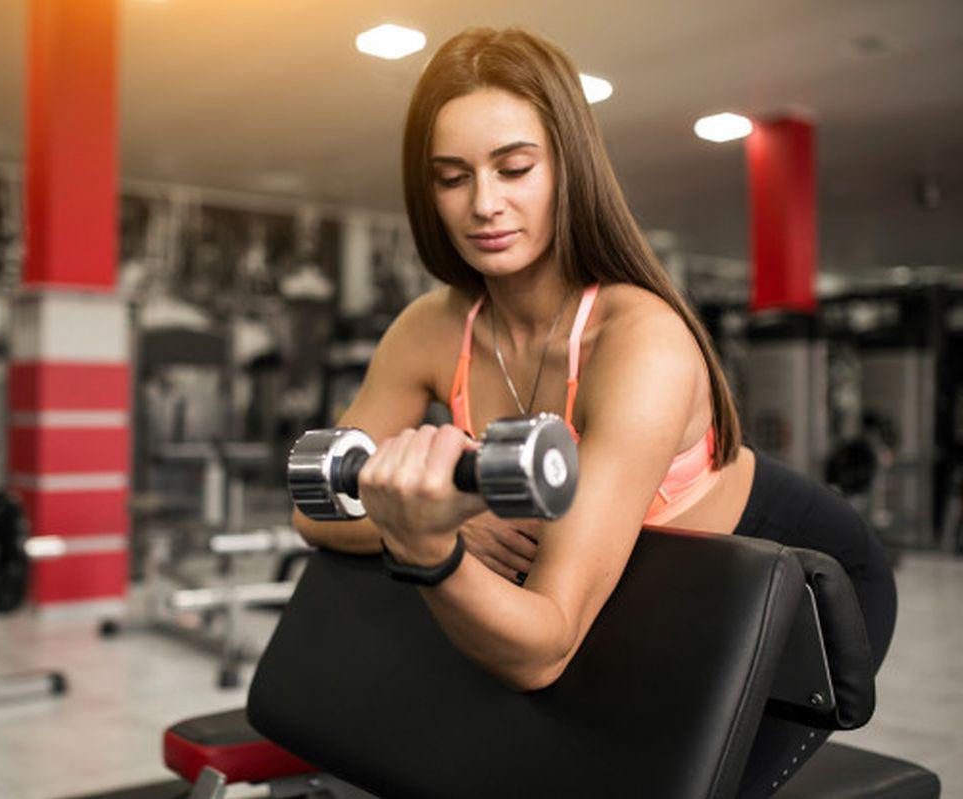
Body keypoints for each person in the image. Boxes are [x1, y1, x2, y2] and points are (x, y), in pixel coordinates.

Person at [292, 27, 896, 798]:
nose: (485, 204)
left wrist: (428, 544)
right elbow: (316, 507)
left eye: (515, 168)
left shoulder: (640, 340)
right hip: (598, 583)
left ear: (568, 166)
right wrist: (449, 520)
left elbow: (542, 645)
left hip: (789, 577)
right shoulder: (431, 327)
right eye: (452, 177)